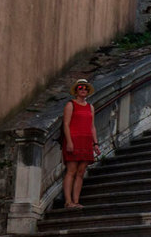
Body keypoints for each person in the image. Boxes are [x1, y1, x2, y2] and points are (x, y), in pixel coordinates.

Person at [62, 79, 100, 209]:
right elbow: (66, 124)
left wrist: (95, 143)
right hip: (74, 140)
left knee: (81, 172)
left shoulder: (90, 107)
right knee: (71, 170)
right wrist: (69, 141)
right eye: (80, 88)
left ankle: (76, 201)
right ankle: (68, 201)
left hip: (86, 141)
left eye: (85, 88)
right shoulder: (70, 104)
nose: (83, 90)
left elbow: (92, 126)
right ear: (76, 90)